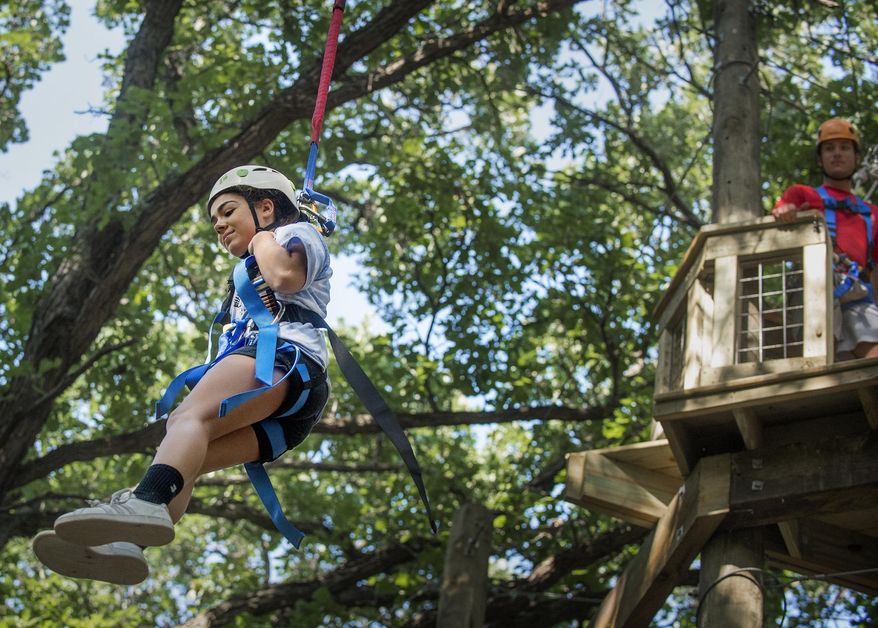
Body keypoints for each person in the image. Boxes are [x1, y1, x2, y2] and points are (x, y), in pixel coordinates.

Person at [32, 165, 333, 585]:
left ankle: (147, 502)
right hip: (289, 394)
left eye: (228, 211)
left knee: (186, 418)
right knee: (184, 458)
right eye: (215, 221)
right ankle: (129, 543)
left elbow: (285, 277)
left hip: (284, 360)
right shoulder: (251, 264)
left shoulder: (292, 237)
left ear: (266, 207)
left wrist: (264, 235)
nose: (220, 225)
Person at [772, 117, 878, 360]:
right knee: (820, 358)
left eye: (844, 147)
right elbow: (780, 218)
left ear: (856, 157)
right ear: (820, 159)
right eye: (829, 148)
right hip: (813, 287)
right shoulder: (801, 195)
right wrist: (787, 212)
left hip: (856, 292)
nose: (837, 154)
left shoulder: (872, 215)